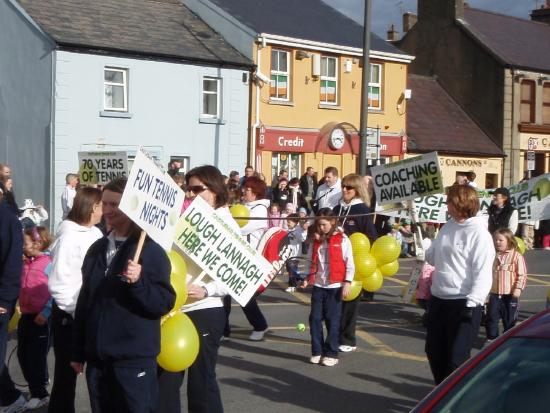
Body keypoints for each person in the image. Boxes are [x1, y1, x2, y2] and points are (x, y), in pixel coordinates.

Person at [72, 177, 175, 413]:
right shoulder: (97, 249)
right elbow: (86, 301)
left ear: (131, 207)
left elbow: (163, 302)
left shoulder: (150, 251)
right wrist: (78, 350)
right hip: (98, 361)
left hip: (132, 359)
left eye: (114, 205)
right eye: (104, 204)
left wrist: (138, 282)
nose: (107, 211)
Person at [157, 165, 240, 413]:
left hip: (204, 309)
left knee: (201, 381)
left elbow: (236, 274)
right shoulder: (185, 219)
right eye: (188, 189)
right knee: (165, 379)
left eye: (196, 189)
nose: (190, 195)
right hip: (174, 309)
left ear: (215, 190)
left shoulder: (227, 225)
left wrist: (207, 289)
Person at [425, 184, 495, 385]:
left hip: (464, 302)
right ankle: (442, 394)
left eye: (449, 201)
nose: (446, 205)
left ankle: (457, 399)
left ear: (461, 203)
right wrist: (427, 250)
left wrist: (473, 302)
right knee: (435, 351)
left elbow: (482, 272)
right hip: (439, 299)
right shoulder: (448, 226)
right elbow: (434, 258)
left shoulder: (479, 234)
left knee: (456, 358)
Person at [48, 187, 103, 413]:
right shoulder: (69, 237)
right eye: (102, 206)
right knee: (65, 378)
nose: (105, 211)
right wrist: (77, 313)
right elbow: (59, 283)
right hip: (70, 318)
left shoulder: (97, 234)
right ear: (92, 208)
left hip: (91, 315)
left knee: (98, 377)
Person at [302, 208, 354, 367]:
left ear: (332, 222)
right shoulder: (316, 240)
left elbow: (350, 262)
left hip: (335, 285)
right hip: (318, 284)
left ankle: (331, 353)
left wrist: (347, 282)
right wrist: (306, 277)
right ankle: (317, 351)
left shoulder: (343, 239)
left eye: (323, 224)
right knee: (315, 319)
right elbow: (311, 261)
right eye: (318, 224)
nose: (320, 227)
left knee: (333, 320)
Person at [333, 174, 376, 352]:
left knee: (350, 303)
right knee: (334, 303)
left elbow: (371, 238)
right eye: (343, 186)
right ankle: (334, 335)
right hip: (335, 262)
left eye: (348, 187)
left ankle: (348, 339)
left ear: (357, 190)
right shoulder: (336, 209)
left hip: (355, 263)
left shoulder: (362, 210)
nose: (344, 190)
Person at [224, 176, 270, 341]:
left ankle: (260, 325)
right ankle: (224, 329)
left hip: (249, 257)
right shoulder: (242, 206)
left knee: (245, 294)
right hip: (235, 254)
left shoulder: (260, 209)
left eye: (248, 189)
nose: (244, 191)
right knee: (224, 293)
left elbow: (242, 228)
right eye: (244, 188)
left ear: (256, 192)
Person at [17, 226, 53, 410]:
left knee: (35, 357)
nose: (22, 246)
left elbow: (55, 292)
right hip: (26, 315)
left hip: (42, 318)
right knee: (22, 354)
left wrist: (46, 312)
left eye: (26, 243)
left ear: (38, 243)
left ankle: (40, 393)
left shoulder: (49, 263)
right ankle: (37, 386)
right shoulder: (27, 262)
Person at [0, 196, 25, 412]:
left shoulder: (8, 220)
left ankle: (11, 398)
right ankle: (9, 396)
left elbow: (12, 263)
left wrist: (4, 299)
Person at [486, 229, 527, 341]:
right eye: (495, 239)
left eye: (500, 240)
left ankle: (508, 340)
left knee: (509, 319)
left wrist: (518, 288)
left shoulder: (516, 256)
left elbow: (522, 274)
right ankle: (492, 339)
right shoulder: (492, 255)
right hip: (494, 294)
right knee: (491, 318)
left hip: (510, 294)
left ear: (509, 241)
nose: (497, 242)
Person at [285, 213, 307, 293]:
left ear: (295, 222)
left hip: (295, 254)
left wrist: (304, 230)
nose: (287, 224)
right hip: (288, 254)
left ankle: (292, 286)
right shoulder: (288, 230)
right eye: (287, 222)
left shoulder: (298, 230)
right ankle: (301, 279)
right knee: (289, 269)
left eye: (289, 222)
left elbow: (303, 238)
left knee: (292, 270)